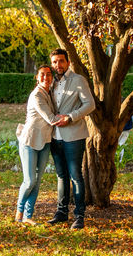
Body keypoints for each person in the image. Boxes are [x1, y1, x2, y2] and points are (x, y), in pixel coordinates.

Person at [47, 48, 95, 229]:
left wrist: (71, 117)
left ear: (67, 62)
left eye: (60, 61)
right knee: (61, 175)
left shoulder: (78, 80)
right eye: (54, 62)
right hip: (54, 135)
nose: (57, 65)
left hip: (74, 135)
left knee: (75, 176)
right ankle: (61, 212)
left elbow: (90, 104)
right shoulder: (50, 82)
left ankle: (79, 216)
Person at [15, 65, 59, 226]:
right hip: (29, 141)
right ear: (37, 77)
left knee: (37, 181)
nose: (46, 77)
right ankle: (19, 212)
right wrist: (71, 118)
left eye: (49, 75)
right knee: (29, 181)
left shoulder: (50, 93)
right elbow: (50, 118)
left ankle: (28, 216)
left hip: (45, 141)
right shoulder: (36, 95)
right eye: (42, 74)